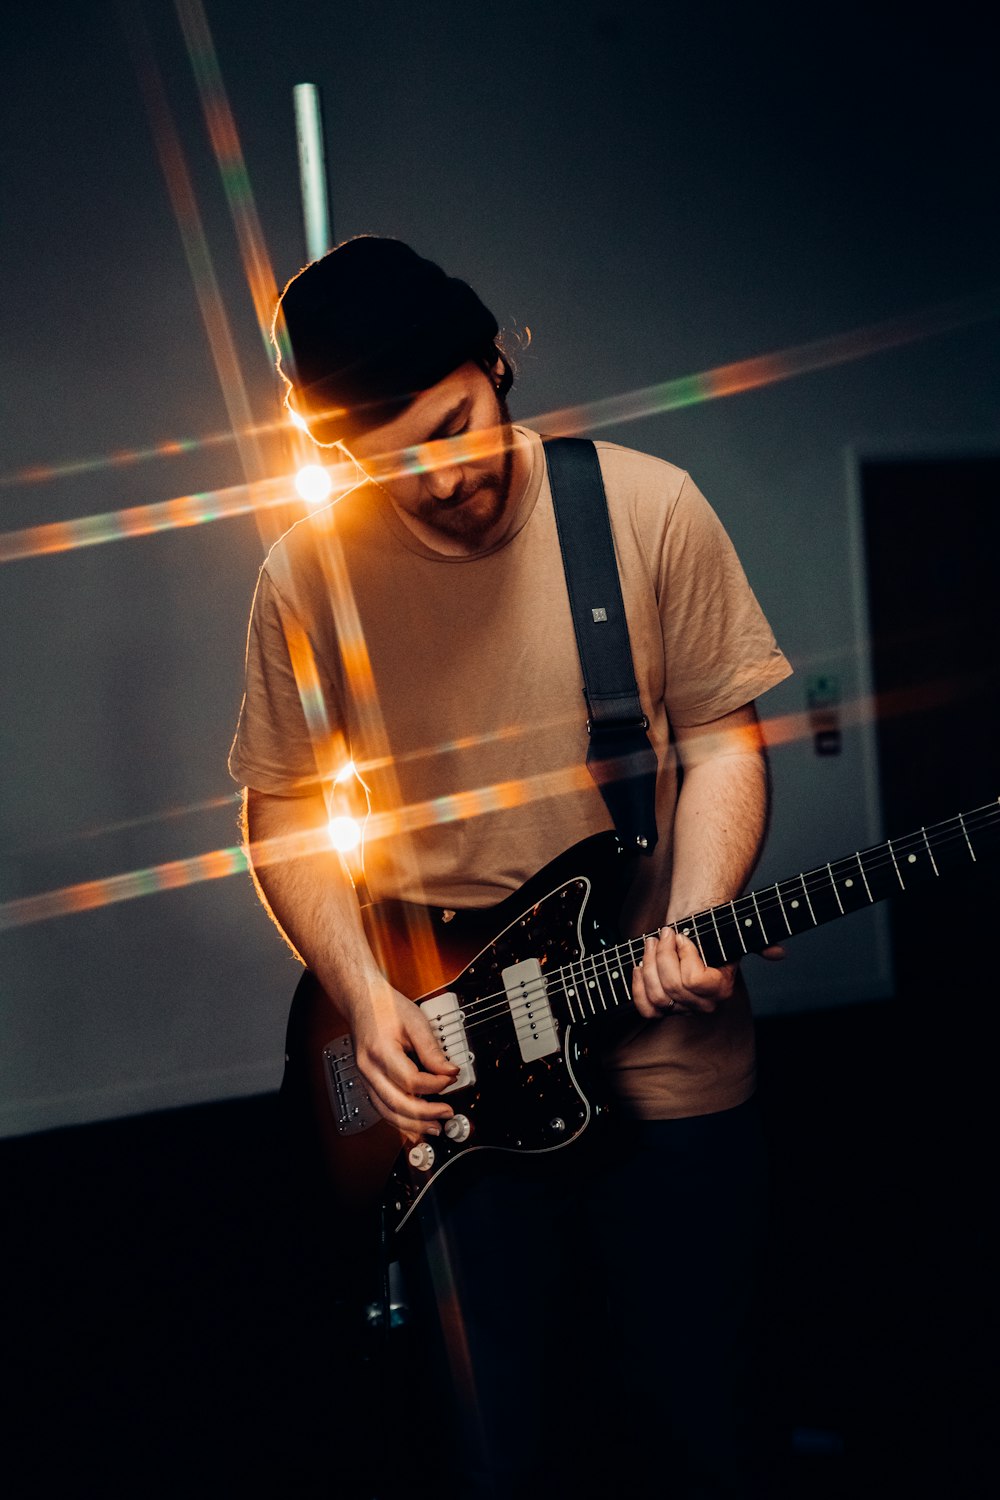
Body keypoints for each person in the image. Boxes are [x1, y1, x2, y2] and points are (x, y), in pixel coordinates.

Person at [230, 236, 792, 1498]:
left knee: (702, 1422)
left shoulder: (644, 507)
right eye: (394, 462)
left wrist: (697, 918)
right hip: (449, 1062)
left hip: (665, 1057)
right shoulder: (303, 579)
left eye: (455, 423)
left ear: (496, 361)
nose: (439, 478)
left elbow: (719, 740)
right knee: (502, 1449)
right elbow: (281, 811)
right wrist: (368, 1000)